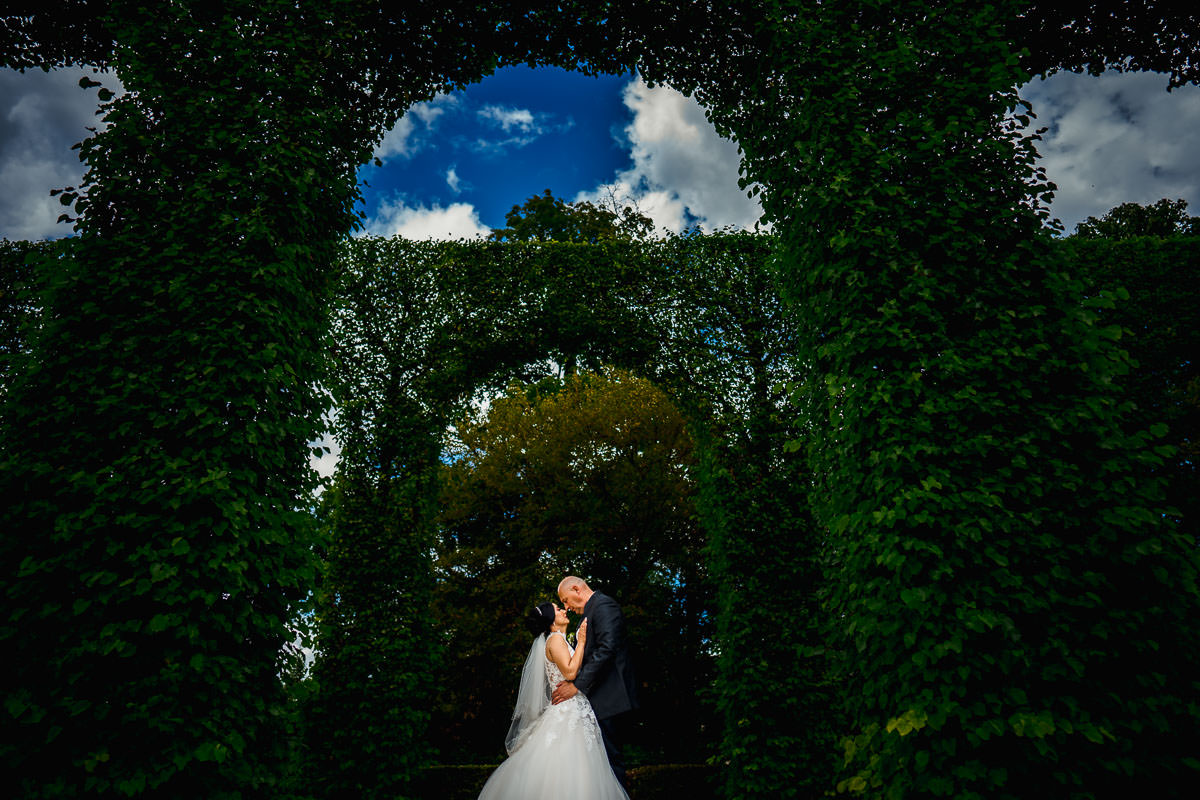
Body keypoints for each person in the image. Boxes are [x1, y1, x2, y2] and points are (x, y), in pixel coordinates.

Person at [476, 601, 629, 800]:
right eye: (558, 609)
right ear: (550, 621)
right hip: (568, 712)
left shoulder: (560, 640)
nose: (564, 610)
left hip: (576, 708)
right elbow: (571, 671)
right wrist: (581, 642)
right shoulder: (555, 640)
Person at [552, 576, 638, 790]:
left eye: (565, 600)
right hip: (600, 699)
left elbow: (607, 648)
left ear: (576, 589)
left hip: (612, 698)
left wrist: (577, 685)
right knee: (600, 763)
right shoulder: (590, 612)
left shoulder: (603, 606)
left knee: (611, 763)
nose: (567, 606)